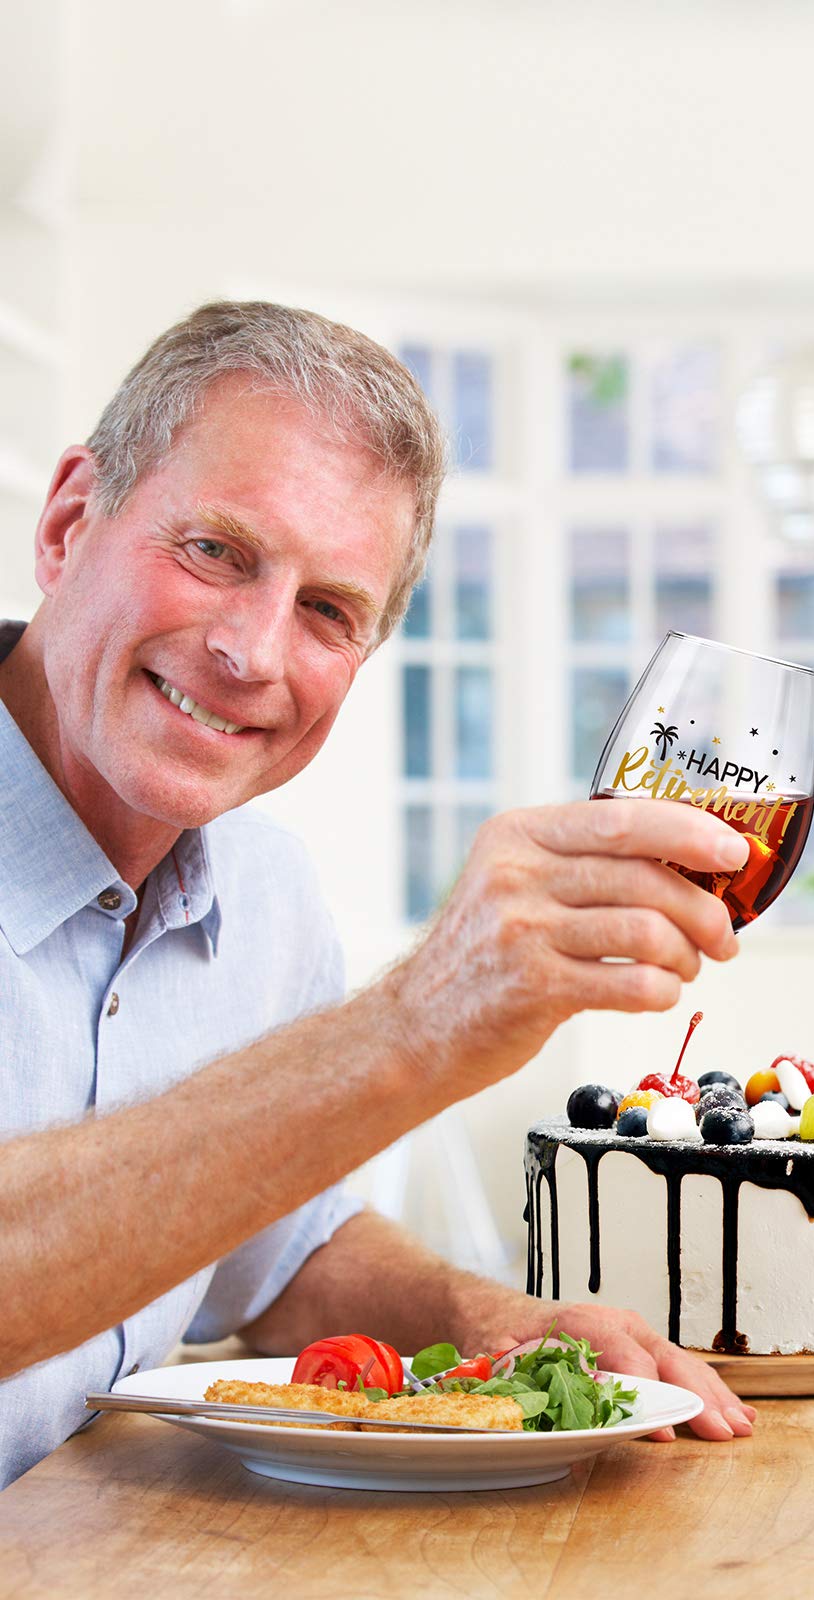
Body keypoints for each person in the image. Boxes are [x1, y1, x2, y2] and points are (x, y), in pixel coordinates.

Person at [0, 301, 755, 1486]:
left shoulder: (268, 894)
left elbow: (280, 1252)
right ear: (66, 525)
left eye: (326, 611)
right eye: (215, 551)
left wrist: (485, 1318)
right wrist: (412, 1029)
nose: (251, 650)